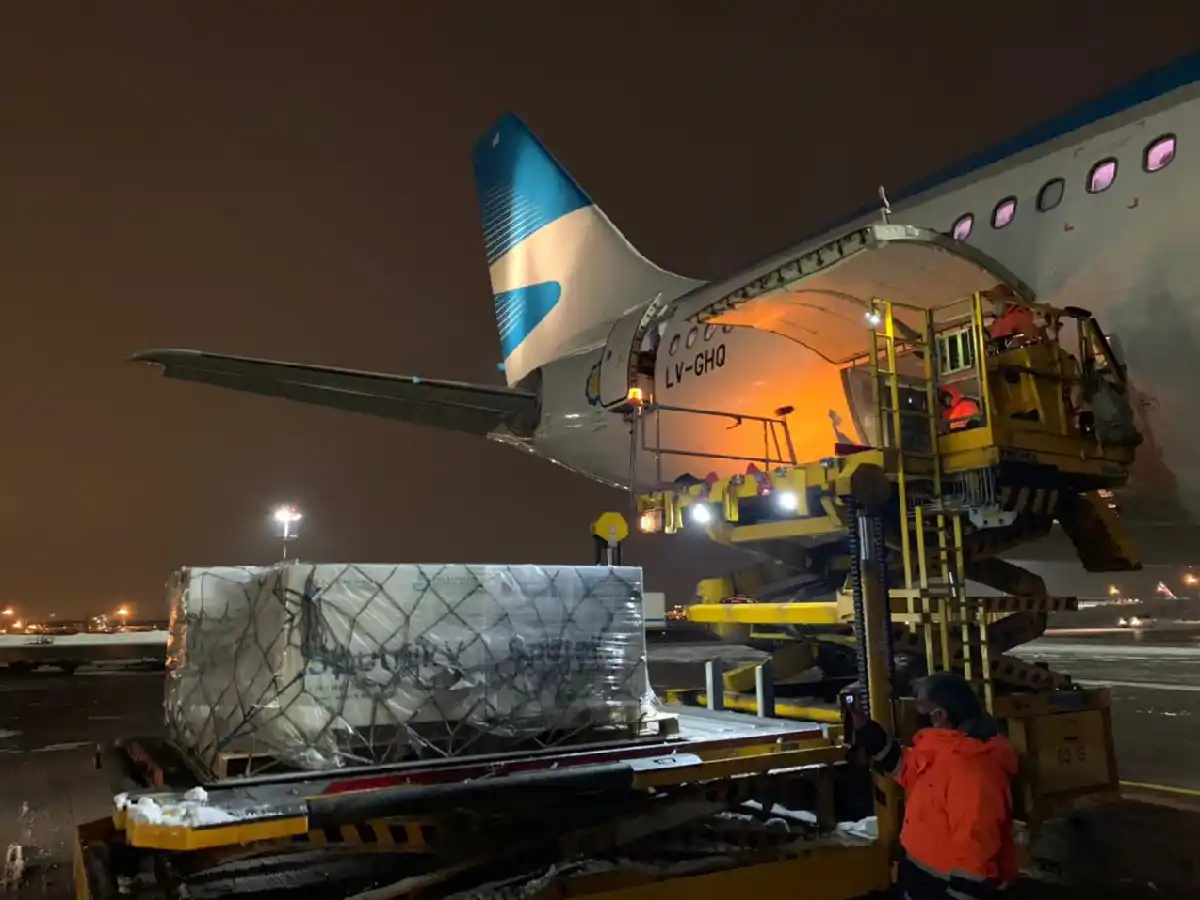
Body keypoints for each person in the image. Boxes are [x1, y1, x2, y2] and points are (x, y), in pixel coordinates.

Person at [851, 672, 1019, 899]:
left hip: (944, 888)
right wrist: (866, 730)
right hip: (923, 879)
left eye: (920, 706)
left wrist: (960, 894)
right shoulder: (946, 751)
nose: (914, 713)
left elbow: (976, 848)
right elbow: (907, 768)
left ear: (939, 715)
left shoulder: (973, 768)